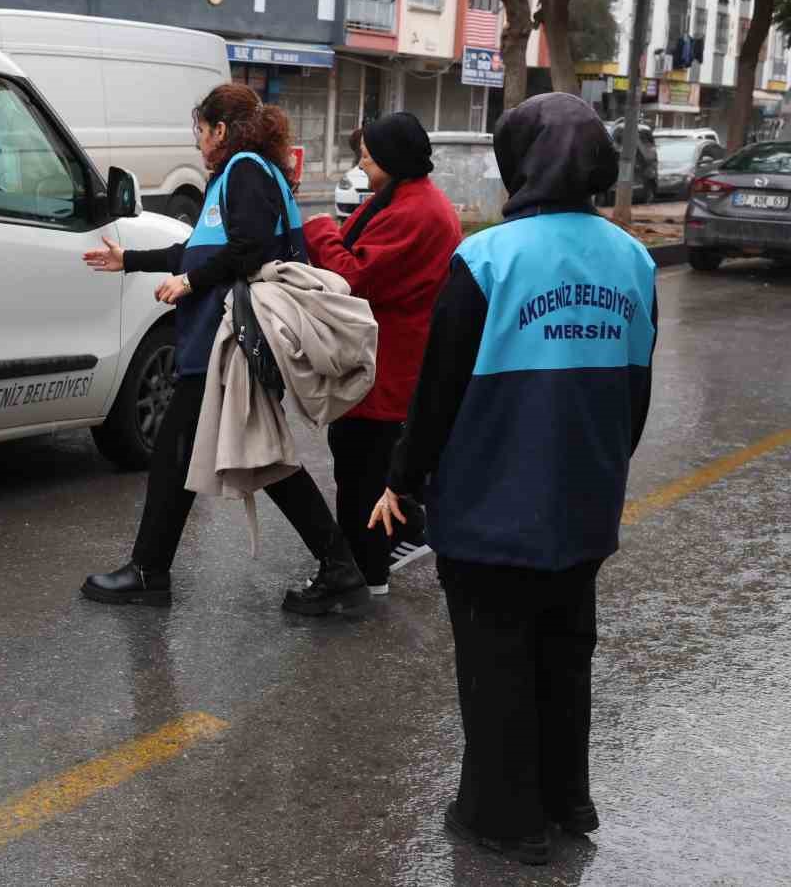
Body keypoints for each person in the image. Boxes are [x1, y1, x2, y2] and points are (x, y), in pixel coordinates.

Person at [368, 93, 658, 865]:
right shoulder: (633, 259)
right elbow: (636, 393)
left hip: (494, 505)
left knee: (497, 662)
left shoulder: (488, 258)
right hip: (583, 501)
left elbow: (437, 393)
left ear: (517, 161)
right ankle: (568, 800)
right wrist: (598, 471)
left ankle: (504, 816)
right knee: (565, 655)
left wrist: (405, 477)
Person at [79, 83, 369, 615]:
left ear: (221, 130)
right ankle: (336, 567)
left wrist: (189, 285)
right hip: (214, 343)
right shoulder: (235, 178)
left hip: (226, 343)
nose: (198, 142)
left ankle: (152, 572)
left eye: (201, 130)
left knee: (200, 453)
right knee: (217, 455)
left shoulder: (247, 173)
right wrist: (132, 260)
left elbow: (249, 250)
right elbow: (197, 252)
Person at [303, 113, 462, 595]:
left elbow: (354, 275)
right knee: (360, 464)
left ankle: (368, 572)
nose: (362, 164)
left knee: (363, 473)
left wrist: (318, 230)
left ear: (392, 159)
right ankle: (380, 551)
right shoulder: (406, 197)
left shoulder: (416, 211)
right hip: (384, 359)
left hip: (388, 364)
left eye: (367, 156)